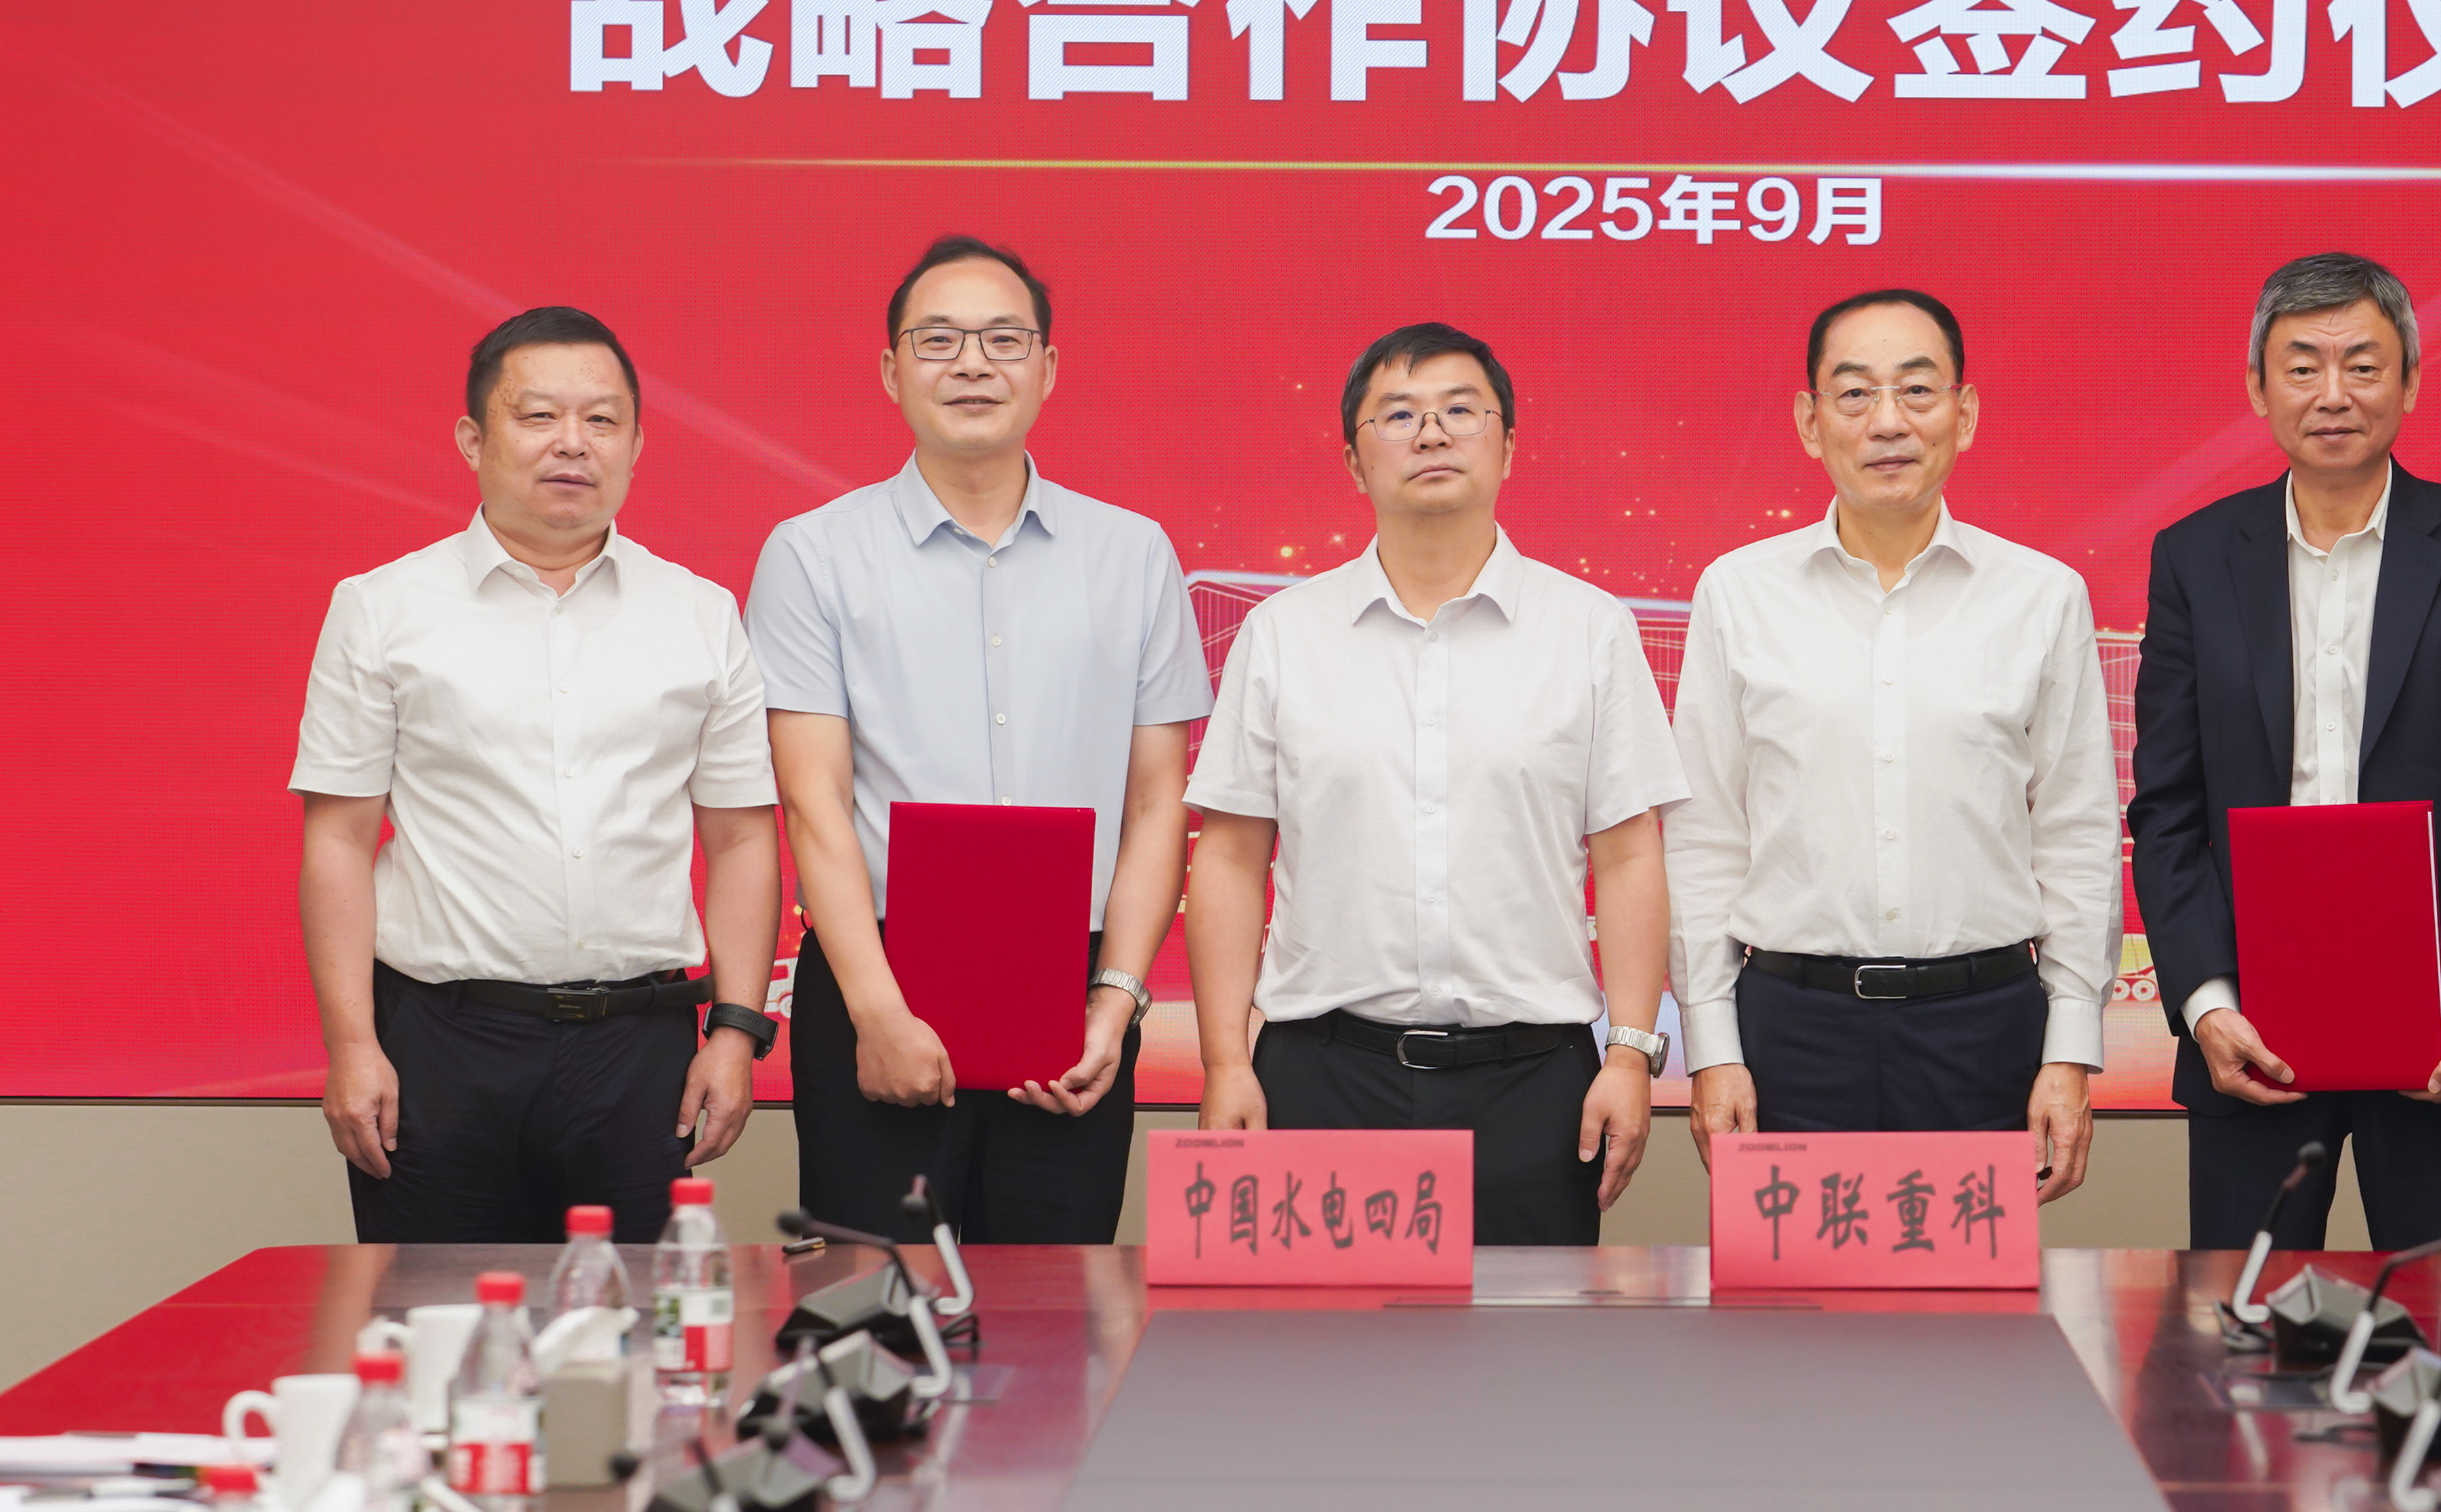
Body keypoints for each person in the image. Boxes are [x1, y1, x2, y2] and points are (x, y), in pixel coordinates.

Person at [747, 236, 1212, 1244]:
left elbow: (1156, 803)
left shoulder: (1133, 555)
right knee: (878, 1308)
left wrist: (1115, 1006)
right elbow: (814, 805)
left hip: (1075, 990)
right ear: (892, 370)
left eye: (1004, 340)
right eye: (940, 340)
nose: (972, 364)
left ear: (1047, 368)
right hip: (877, 974)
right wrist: (877, 1014)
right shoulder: (814, 554)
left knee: (1055, 1310)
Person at [1182, 322, 1684, 1244]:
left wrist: (1629, 1053)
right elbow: (1229, 857)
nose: (1432, 433)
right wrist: (1225, 1062)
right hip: (1321, 1076)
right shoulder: (1284, 634)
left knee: (1524, 1338)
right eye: (1399, 415)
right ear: (1354, 459)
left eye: (1461, 410)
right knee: (1316, 1338)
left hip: (1533, 1085)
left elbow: (1627, 856)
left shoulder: (1588, 629)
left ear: (1508, 447)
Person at [292, 308, 780, 1243]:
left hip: (640, 1051)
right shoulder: (381, 609)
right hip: (443, 1044)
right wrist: (352, 1045)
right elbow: (339, 840)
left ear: (637, 445)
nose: (573, 443)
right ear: (474, 440)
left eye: (602, 420)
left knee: (634, 1321)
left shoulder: (699, 613)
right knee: (441, 1320)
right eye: (538, 416)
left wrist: (734, 1032)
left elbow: (742, 838)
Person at [2129, 253, 2441, 1251]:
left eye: (2364, 366)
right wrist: (2206, 1004)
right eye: (2302, 367)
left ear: (2410, 384)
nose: (2333, 394)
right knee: (2245, 1322)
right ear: (2259, 389)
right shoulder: (2195, 558)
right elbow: (2166, 810)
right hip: (2251, 1032)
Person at [1669, 289, 2119, 1201]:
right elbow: (1706, 836)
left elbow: (2076, 832)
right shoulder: (1738, 594)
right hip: (1790, 1035)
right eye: (1855, 393)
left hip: (1983, 1032)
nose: (1888, 422)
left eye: (1917, 390)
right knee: (1790, 1296)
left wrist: (2070, 1046)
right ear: (1810, 421)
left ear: (1965, 413)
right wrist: (1712, 1045)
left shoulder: (2042, 597)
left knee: (1967, 1296)